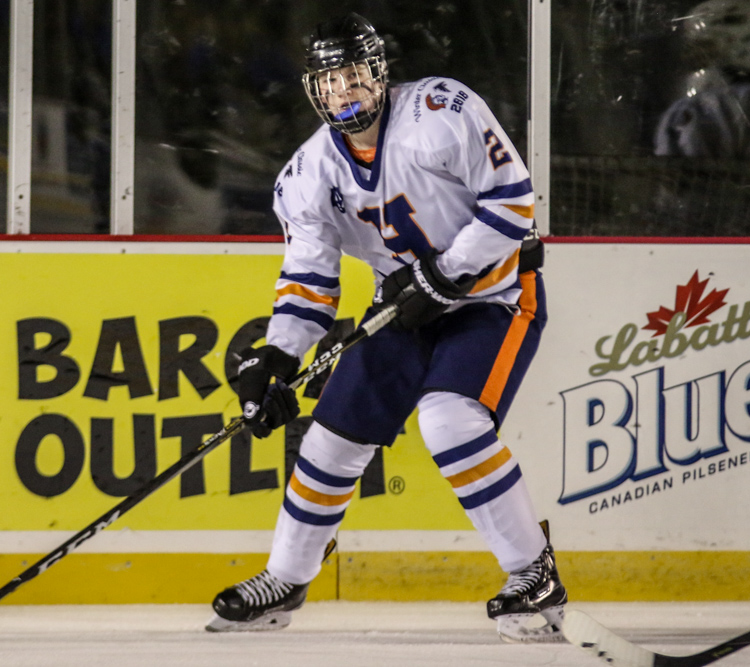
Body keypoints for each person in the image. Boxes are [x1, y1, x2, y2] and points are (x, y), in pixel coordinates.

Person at [204, 13, 565, 643]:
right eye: (328, 80)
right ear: (314, 91)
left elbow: (512, 202)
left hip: (497, 295)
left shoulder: (440, 108)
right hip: (405, 310)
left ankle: (534, 573)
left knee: (449, 421)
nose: (343, 91)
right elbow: (310, 281)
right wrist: (278, 359)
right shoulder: (308, 173)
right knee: (329, 441)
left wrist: (443, 273)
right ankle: (286, 578)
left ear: (378, 74)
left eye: (352, 76)